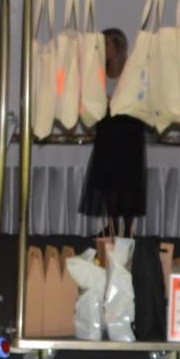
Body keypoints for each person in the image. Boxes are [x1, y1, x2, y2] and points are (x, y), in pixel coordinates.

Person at [78, 27, 147, 230]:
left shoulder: (131, 71)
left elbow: (140, 98)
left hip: (128, 132)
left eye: (106, 44)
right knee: (108, 183)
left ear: (118, 47)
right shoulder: (98, 71)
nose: (103, 48)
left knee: (128, 184)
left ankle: (127, 229)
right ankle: (112, 227)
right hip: (107, 132)